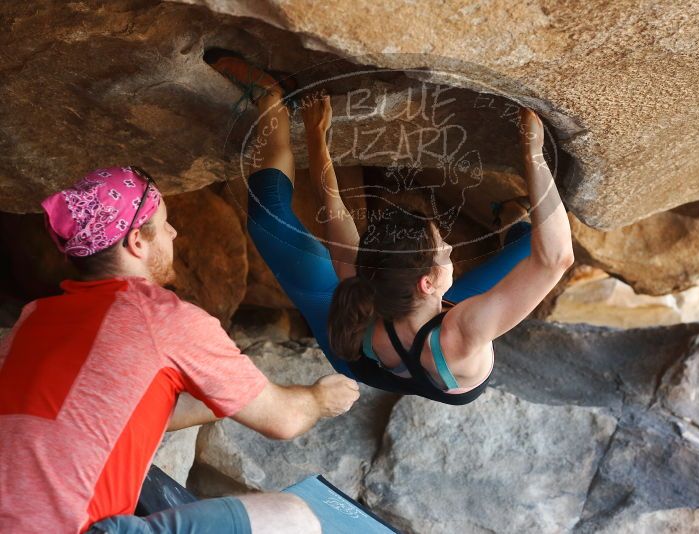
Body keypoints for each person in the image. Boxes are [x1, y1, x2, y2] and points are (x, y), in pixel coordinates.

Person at [0, 166, 360, 533]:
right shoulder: (160, 318)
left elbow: (115, 411)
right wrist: (319, 398)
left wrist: (230, 393)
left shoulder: (33, 319)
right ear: (137, 241)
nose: (174, 232)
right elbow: (283, 420)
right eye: (165, 223)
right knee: (292, 517)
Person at [210, 54, 573, 405]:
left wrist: (318, 138)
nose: (449, 248)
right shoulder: (464, 330)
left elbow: (333, 209)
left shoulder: (367, 281)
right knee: (533, 240)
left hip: (371, 345)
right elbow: (555, 258)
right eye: (441, 248)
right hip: (420, 337)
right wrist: (534, 154)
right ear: (427, 282)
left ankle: (272, 104)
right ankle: (511, 217)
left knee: (266, 221)